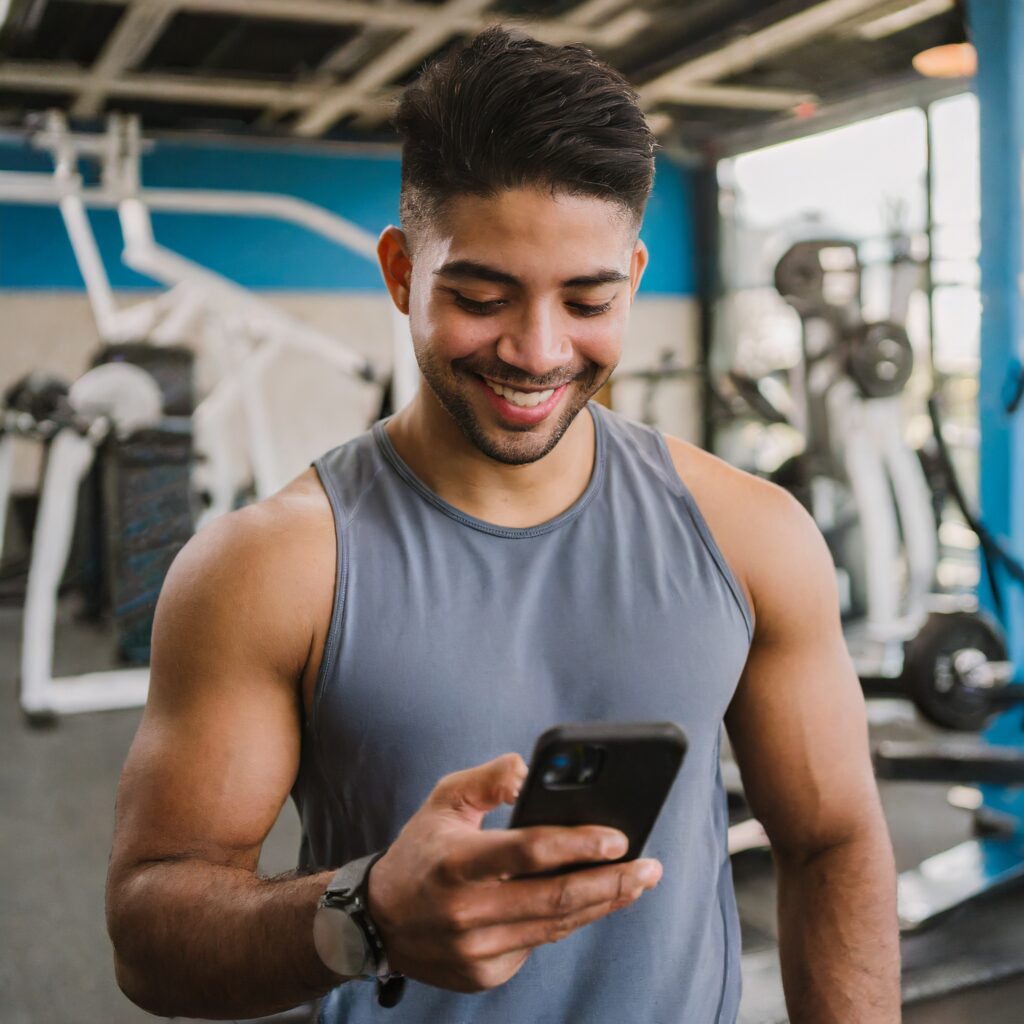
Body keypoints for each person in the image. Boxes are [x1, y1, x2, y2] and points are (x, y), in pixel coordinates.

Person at [106, 26, 899, 1024]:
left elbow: (831, 838)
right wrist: (364, 917)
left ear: (633, 278)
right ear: (401, 273)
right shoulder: (270, 565)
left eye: (586, 299)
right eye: (481, 297)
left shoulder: (750, 535)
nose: (537, 350)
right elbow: (148, 928)